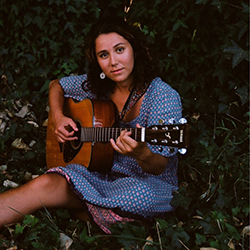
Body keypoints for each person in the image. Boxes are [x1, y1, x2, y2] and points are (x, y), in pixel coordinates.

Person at [0, 16, 182, 234]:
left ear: (135, 50)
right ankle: (101, 213)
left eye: (120, 50)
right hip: (97, 173)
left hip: (146, 182)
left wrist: (142, 154)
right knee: (44, 184)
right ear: (97, 62)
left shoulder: (163, 96)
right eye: (104, 55)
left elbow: (159, 165)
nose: (113, 61)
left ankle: (84, 207)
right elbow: (56, 85)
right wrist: (57, 117)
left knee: (141, 197)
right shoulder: (98, 86)